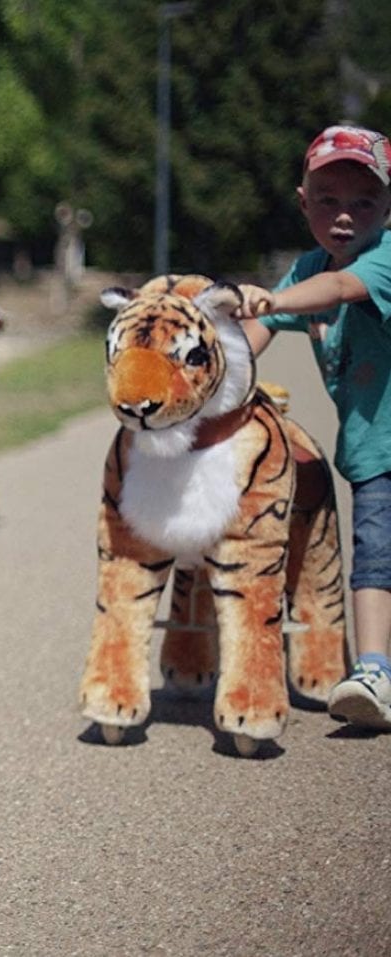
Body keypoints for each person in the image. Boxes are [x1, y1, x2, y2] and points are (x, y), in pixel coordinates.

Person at [238, 124, 391, 731]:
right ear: (303, 201)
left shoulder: (382, 260)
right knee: (374, 557)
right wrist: (211, 372)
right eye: (328, 200)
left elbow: (336, 289)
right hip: (370, 449)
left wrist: (272, 301)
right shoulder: (305, 267)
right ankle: (375, 672)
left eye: (364, 202)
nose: (346, 216)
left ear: (389, 206)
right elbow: (255, 338)